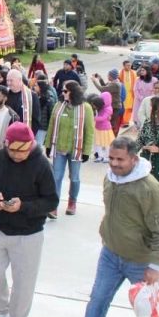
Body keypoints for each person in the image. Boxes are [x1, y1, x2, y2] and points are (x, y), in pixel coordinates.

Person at [83, 137, 159, 317]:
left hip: (140, 261)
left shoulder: (150, 188)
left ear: (134, 159)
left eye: (120, 159)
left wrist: (155, 266)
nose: (114, 163)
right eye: (111, 158)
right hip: (110, 255)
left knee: (146, 313)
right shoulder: (109, 178)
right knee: (97, 301)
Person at [0, 123, 58, 317]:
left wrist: (23, 206)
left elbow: (51, 201)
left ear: (30, 145)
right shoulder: (0, 157)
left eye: (21, 151)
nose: (16, 155)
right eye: (12, 150)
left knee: (24, 284)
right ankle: (3, 311)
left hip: (28, 234)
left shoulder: (42, 164)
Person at [44, 80, 94, 218]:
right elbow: (51, 125)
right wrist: (48, 145)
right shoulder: (58, 105)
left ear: (74, 92)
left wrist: (86, 152)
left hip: (76, 149)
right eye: (63, 90)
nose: (63, 93)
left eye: (65, 91)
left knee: (74, 178)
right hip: (59, 148)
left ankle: (72, 202)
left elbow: (89, 131)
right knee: (56, 177)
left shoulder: (86, 108)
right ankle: (53, 206)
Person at [6, 69, 41, 133]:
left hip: (23, 134)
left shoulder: (32, 96)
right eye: (7, 80)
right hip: (7, 133)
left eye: (11, 80)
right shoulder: (5, 94)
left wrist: (30, 135)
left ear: (20, 80)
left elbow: (36, 119)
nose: (9, 83)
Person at [91, 69, 123, 136]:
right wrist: (100, 78)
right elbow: (105, 87)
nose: (107, 76)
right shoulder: (113, 82)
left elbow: (102, 89)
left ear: (111, 76)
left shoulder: (115, 84)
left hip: (115, 107)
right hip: (113, 105)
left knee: (111, 123)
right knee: (110, 122)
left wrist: (94, 81)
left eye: (108, 75)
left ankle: (112, 137)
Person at [88, 92, 115, 163]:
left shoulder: (108, 108)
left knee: (106, 143)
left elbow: (103, 118)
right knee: (98, 143)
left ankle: (107, 156)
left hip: (105, 129)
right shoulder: (101, 107)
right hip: (98, 128)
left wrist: (93, 118)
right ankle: (100, 156)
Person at [32, 76, 56, 145]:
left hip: (42, 127)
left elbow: (51, 114)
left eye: (36, 86)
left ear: (41, 87)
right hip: (35, 125)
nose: (34, 87)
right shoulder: (36, 97)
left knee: (38, 145)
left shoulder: (48, 99)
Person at [119, 60, 137, 126]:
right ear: (124, 66)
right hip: (123, 93)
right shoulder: (120, 73)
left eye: (130, 65)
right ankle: (122, 121)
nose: (129, 66)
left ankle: (126, 121)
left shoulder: (134, 73)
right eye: (127, 65)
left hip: (131, 94)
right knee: (123, 108)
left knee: (129, 108)